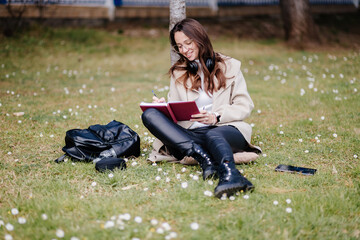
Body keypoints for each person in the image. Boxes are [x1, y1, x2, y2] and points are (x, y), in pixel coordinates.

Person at [141, 18, 261, 198]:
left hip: (224, 130)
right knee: (150, 114)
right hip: (191, 136)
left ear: (200, 39)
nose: (184, 50)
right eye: (179, 46)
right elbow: (176, 111)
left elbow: (244, 106)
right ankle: (204, 159)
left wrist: (216, 117)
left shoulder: (230, 66)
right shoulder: (179, 72)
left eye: (188, 43)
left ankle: (231, 175)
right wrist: (163, 107)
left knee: (213, 134)